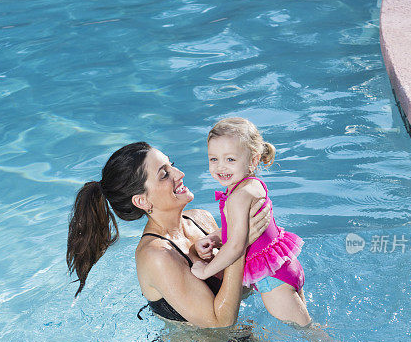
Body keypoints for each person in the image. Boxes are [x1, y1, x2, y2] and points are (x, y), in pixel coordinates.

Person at [66, 141, 270, 328]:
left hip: (238, 339)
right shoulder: (156, 256)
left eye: (171, 164)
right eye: (164, 174)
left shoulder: (201, 219)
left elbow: (242, 287)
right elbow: (220, 322)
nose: (179, 173)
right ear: (142, 201)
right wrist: (238, 244)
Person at [190, 118, 311, 327]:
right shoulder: (251, 185)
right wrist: (214, 238)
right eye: (213, 159)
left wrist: (204, 271)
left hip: (272, 281)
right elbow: (240, 229)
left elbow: (237, 245)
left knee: (310, 335)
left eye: (230, 159)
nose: (220, 167)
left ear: (253, 160)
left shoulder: (238, 196)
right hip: (285, 265)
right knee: (307, 327)